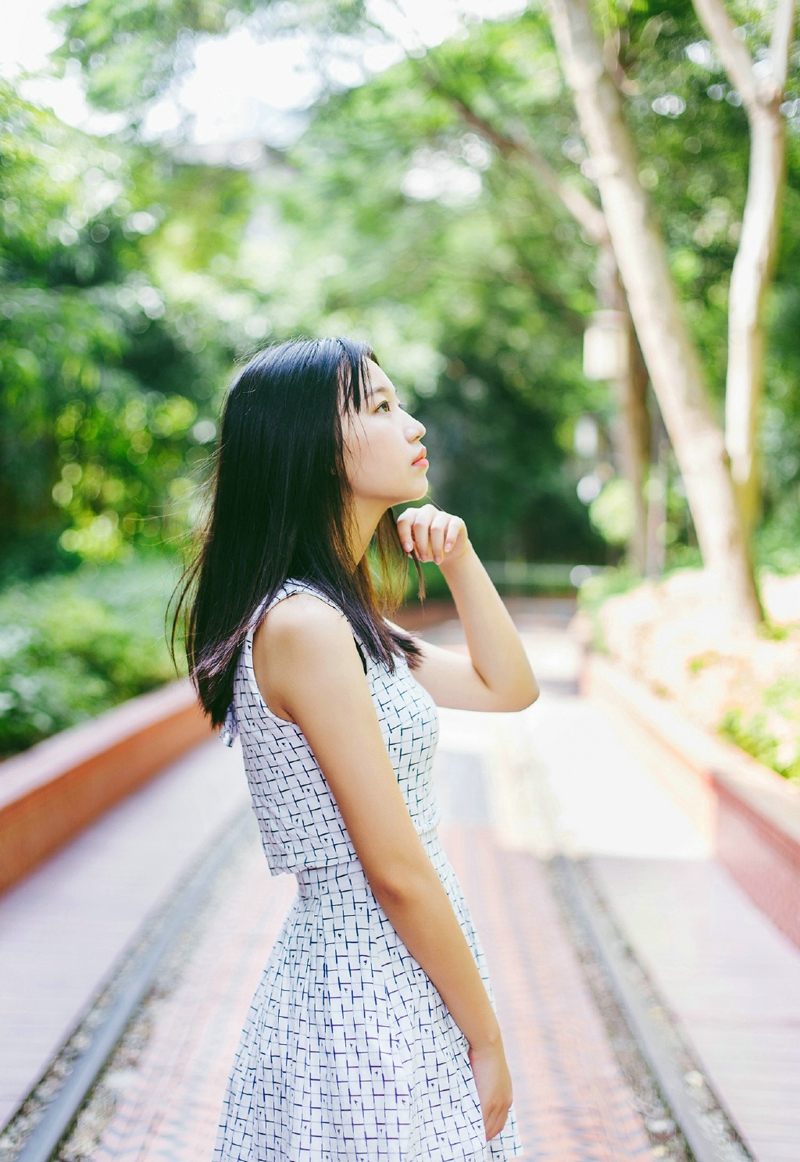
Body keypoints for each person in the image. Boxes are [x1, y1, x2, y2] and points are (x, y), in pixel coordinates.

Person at [173, 337, 539, 1161]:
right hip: (363, 996)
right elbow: (394, 870)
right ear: (314, 447)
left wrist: (460, 559)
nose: (412, 425)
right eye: (378, 407)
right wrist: (486, 1036)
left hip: (399, 975)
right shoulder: (303, 626)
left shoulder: (344, 620)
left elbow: (508, 687)